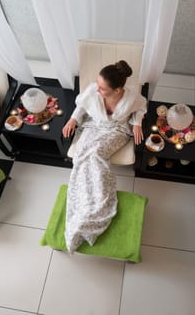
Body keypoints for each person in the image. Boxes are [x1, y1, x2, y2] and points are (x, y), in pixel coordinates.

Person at [62, 60, 147, 253]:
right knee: (80, 158)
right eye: (97, 85)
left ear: (117, 90)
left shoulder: (131, 98)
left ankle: (98, 207)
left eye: (102, 88)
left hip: (116, 131)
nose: (96, 89)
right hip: (93, 126)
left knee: (96, 155)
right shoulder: (93, 90)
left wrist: (137, 123)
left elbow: (142, 107)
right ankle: (82, 207)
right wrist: (73, 119)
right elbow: (82, 106)